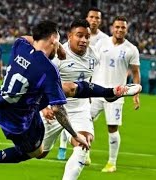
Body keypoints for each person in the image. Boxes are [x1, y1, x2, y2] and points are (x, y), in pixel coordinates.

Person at [0, 20, 141, 174]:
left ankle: (110, 92)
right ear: (54, 39)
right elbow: (58, 110)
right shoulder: (47, 68)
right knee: (36, 152)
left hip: (8, 107)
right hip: (22, 121)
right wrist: (75, 134)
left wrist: (58, 46)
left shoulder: (20, 46)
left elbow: (25, 38)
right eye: (59, 40)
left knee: (68, 89)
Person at [57, 7, 109, 162]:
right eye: (79, 36)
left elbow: (89, 77)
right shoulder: (57, 55)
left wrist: (89, 93)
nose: (84, 40)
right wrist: (45, 107)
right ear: (70, 36)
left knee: (83, 145)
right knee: (38, 151)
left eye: (87, 37)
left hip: (80, 107)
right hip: (56, 106)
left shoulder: (95, 55)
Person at [90, 16, 141, 173]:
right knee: (84, 120)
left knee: (112, 128)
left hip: (116, 94)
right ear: (112, 28)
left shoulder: (131, 49)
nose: (119, 30)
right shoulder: (101, 43)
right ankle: (84, 154)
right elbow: (92, 64)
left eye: (123, 28)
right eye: (117, 27)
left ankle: (112, 163)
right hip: (97, 90)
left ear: (126, 29)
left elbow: (135, 72)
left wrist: (136, 94)